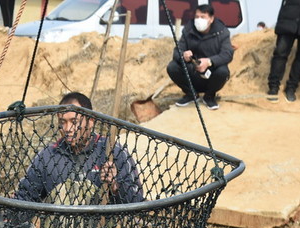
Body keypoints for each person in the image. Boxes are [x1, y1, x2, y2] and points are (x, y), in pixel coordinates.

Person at [14, 92, 143, 205]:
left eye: (74, 122)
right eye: (62, 122)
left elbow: (136, 199)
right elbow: (25, 197)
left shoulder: (112, 151)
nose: (67, 129)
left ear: (91, 121)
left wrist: (114, 186)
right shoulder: (48, 156)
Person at [166, 3, 235, 110]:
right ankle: (191, 94)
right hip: (192, 73)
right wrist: (183, 56)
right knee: (172, 67)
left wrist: (209, 61)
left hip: (211, 74)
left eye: (203, 17)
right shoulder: (188, 31)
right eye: (197, 17)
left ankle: (209, 96)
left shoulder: (222, 32)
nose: (199, 20)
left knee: (223, 71)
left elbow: (227, 54)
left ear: (211, 19)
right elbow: (177, 52)